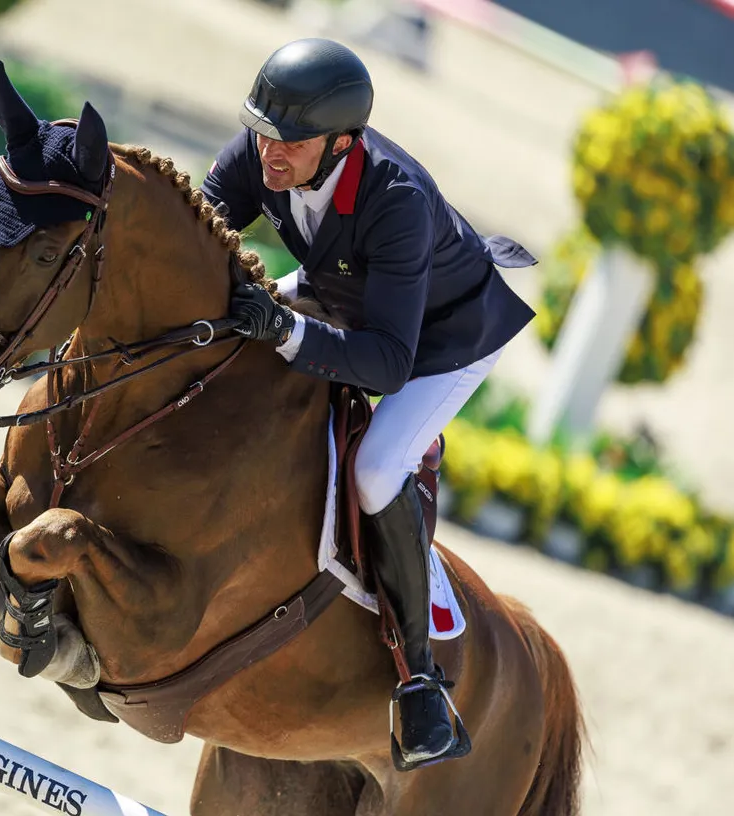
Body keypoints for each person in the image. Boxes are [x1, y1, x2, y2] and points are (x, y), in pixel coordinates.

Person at [201, 37, 537, 768]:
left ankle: (419, 677)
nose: (269, 155)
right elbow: (196, 240)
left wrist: (286, 328)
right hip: (345, 293)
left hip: (439, 343)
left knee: (377, 469)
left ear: (344, 143)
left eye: (289, 142)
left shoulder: (396, 202)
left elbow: (388, 361)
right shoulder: (263, 147)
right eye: (261, 132)